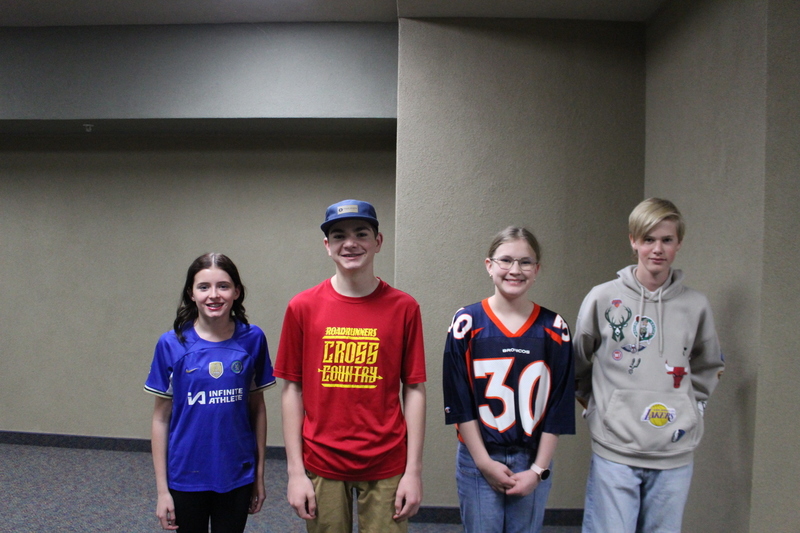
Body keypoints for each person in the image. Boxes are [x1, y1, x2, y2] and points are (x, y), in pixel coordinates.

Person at [274, 199, 427, 533]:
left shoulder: (404, 307)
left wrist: (413, 471)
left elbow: (414, 388)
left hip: (386, 461)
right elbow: (291, 390)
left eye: (361, 233)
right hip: (322, 461)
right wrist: (295, 472)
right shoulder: (302, 307)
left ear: (378, 241)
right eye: (339, 235)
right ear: (327, 246)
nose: (351, 243)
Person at [574, 198, 725, 533]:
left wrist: (691, 408)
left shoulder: (696, 305)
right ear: (633, 241)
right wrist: (600, 408)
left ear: (679, 244)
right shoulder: (602, 298)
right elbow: (578, 363)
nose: (657, 249)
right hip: (616, 448)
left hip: (674, 449)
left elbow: (707, 364)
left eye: (667, 240)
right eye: (648, 239)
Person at [442, 226, 576, 533]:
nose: (515, 270)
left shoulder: (554, 328)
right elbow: (459, 401)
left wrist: (538, 469)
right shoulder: (467, 323)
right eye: (505, 260)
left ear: (537, 269)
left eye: (525, 262)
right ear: (489, 266)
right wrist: (484, 463)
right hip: (479, 456)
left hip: (532, 459)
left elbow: (558, 405)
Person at [144, 253, 275, 532]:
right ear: (191, 293)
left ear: (237, 292)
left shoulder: (253, 339)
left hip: (237, 472)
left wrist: (259, 476)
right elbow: (160, 419)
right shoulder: (171, 344)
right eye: (204, 287)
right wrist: (162, 491)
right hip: (186, 474)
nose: (214, 295)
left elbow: (258, 409)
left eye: (223, 286)